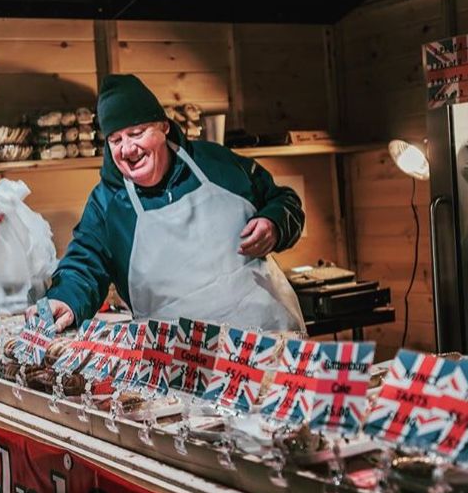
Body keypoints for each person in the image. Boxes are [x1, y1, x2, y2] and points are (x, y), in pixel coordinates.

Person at [39, 74, 306, 333]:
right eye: (116, 140)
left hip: (267, 339)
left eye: (137, 133)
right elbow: (84, 264)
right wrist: (65, 300)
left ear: (164, 127)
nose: (128, 149)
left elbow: (285, 201)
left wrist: (275, 223)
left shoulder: (217, 164)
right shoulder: (107, 204)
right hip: (177, 363)